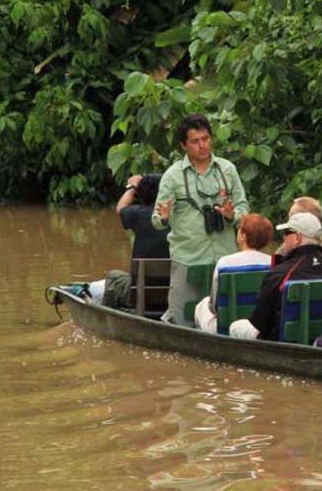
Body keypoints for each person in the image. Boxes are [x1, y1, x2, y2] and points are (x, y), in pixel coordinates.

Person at [153, 113, 249, 325]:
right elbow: (156, 219)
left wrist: (233, 216)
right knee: (182, 320)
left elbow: (244, 208)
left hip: (224, 258)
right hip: (188, 258)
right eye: (195, 141)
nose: (202, 145)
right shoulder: (172, 175)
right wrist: (164, 217)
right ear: (183, 145)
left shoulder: (227, 169)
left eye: (205, 139)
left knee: (227, 317)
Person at [229, 213, 322, 340]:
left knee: (236, 326)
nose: (283, 237)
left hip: (284, 340)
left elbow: (260, 323)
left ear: (297, 237)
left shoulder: (280, 273)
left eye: (286, 233)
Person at [87, 172, 169, 303]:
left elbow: (120, 208)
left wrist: (132, 187)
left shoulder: (138, 214)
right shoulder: (181, 217)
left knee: (113, 276)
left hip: (140, 294)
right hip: (174, 292)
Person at [193, 212, 273, 333]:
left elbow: (215, 306)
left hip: (226, 325)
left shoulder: (225, 263)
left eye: (239, 229)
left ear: (243, 236)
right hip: (259, 325)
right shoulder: (273, 263)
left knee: (202, 305)